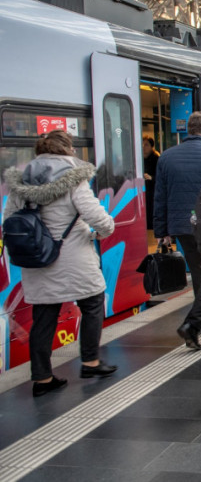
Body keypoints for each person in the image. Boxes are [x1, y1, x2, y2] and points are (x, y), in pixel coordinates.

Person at [3, 130, 118, 397]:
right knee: (92, 303)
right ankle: (90, 362)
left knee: (44, 317)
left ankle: (42, 378)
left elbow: (9, 219)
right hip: (73, 256)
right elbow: (97, 217)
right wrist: (103, 230)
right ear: (67, 151)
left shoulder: (22, 182)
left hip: (37, 258)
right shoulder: (74, 179)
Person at [154, 111, 201, 350]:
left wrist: (162, 230)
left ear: (188, 130)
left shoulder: (167, 156)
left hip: (182, 226)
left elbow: (160, 196)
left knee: (199, 274)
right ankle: (193, 324)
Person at [142, 136, 159, 231]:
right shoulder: (138, 159)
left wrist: (151, 177)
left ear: (152, 146)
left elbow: (161, 177)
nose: (144, 147)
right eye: (143, 145)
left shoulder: (156, 159)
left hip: (152, 192)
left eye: (147, 145)